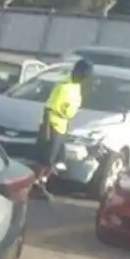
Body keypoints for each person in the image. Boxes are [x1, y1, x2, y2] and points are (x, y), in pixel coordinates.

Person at [33, 58, 93, 201]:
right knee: (45, 159)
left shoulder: (76, 86)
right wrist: (46, 129)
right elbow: (48, 108)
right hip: (53, 125)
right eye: (83, 74)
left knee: (55, 160)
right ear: (77, 71)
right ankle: (34, 184)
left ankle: (42, 182)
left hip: (62, 126)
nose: (84, 78)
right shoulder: (63, 86)